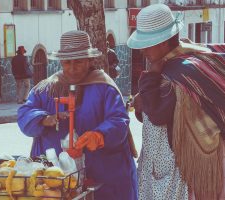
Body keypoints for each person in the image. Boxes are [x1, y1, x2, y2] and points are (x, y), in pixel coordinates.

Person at [127, 3, 225, 200]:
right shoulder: (183, 62)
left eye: (146, 44)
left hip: (186, 171)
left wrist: (150, 77)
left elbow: (156, 113)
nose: (142, 50)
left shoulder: (181, 73)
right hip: (176, 166)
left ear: (162, 42)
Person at [17, 30, 138, 200]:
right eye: (67, 63)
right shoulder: (46, 88)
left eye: (79, 62)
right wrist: (44, 119)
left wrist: (99, 135)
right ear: (61, 62)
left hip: (103, 175)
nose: (72, 68)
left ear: (90, 61)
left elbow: (119, 120)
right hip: (55, 180)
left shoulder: (105, 87)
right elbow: (24, 115)